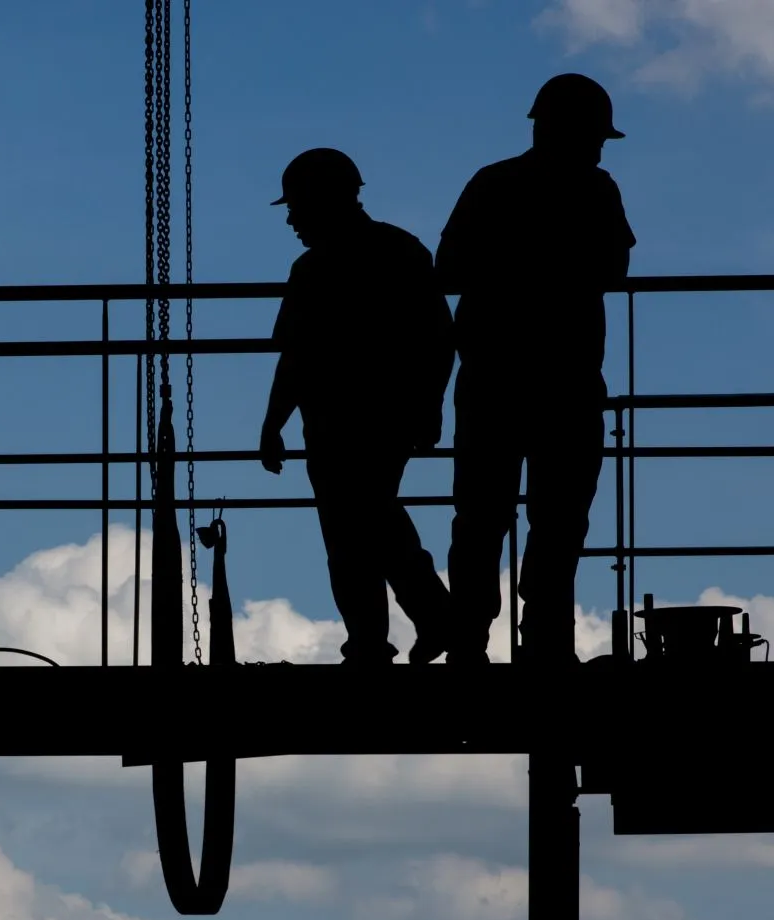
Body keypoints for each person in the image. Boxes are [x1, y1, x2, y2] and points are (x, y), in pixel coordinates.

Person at [439, 73, 636, 665]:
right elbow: (614, 270)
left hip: (493, 378)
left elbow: (448, 268)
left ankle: (468, 643)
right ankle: (545, 643)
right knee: (559, 519)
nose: (599, 148)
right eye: (595, 136)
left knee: (481, 518)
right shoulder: (596, 190)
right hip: (566, 381)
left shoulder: (493, 183)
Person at [258, 148, 456, 664]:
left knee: (353, 530)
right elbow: (440, 339)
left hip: (336, 422)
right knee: (371, 518)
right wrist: (430, 408)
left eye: (296, 208)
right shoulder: (400, 251)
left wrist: (273, 425)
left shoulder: (313, 269)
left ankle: (385, 637)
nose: (292, 220)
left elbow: (295, 359)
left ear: (321, 202)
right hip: (382, 418)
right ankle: (422, 622)